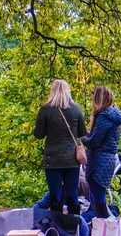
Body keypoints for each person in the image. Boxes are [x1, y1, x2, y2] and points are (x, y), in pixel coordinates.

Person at [33, 79, 87, 215]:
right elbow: (82, 133)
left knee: (55, 196)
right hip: (72, 161)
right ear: (68, 91)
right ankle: (75, 228)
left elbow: (38, 134)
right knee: (72, 196)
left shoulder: (45, 110)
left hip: (53, 160)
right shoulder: (76, 109)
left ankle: (57, 229)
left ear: (52, 91)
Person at [81, 86, 121, 219]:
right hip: (106, 161)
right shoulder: (113, 116)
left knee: (99, 202)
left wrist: (81, 136)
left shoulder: (104, 117)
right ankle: (104, 232)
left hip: (100, 162)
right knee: (98, 201)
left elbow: (94, 141)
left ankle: (108, 230)